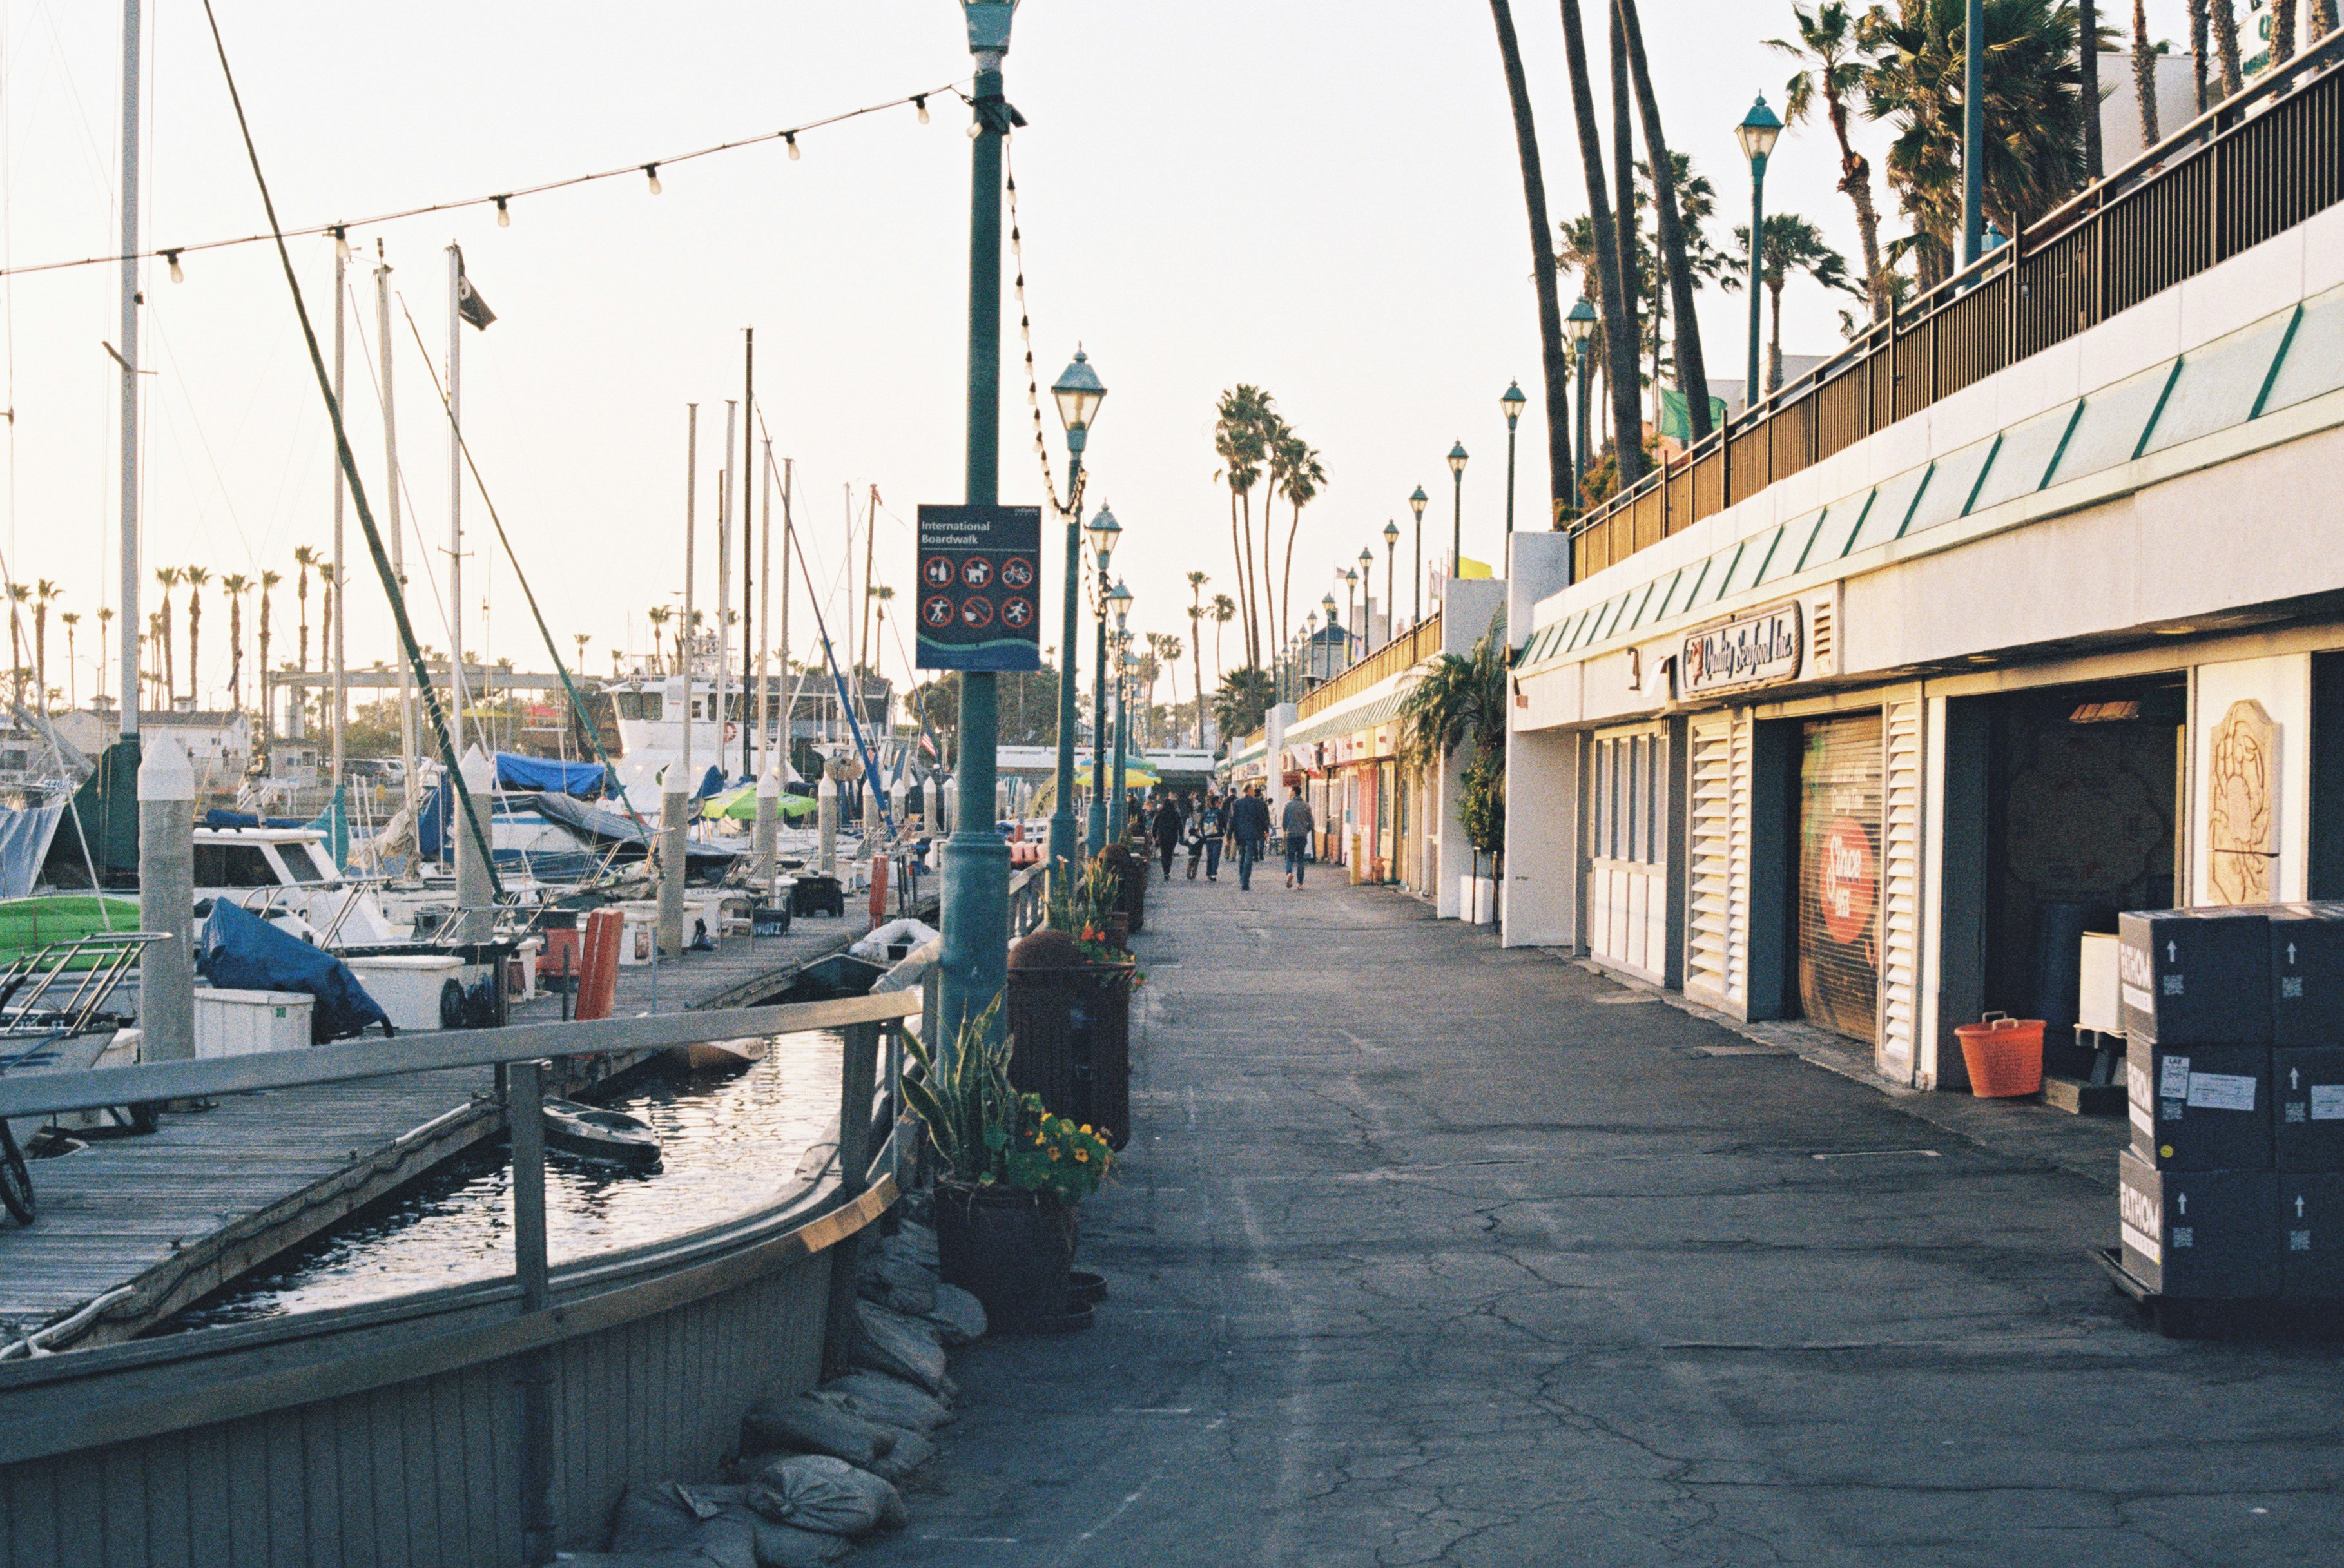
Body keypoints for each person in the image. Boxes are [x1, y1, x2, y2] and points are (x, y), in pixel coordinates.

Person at [1229, 784, 1271, 891]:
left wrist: (1229, 835)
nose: (1254, 791)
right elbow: (1263, 818)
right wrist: (1266, 830)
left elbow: (1232, 820)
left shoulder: (1236, 803)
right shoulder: (1258, 803)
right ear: (1249, 791)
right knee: (1249, 857)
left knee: (1242, 855)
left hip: (1240, 833)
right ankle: (1245, 881)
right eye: (1253, 789)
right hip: (1253, 833)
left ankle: (1242, 877)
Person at [1280, 787, 1316, 889]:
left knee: (1290, 858)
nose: (1289, 793)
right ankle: (1300, 884)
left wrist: (1285, 830)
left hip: (1290, 835)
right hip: (1302, 836)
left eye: (1290, 791)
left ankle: (1289, 873)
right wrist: (1306, 830)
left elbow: (1284, 822)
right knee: (1300, 859)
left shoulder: (1287, 805)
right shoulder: (1306, 806)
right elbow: (1312, 822)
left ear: (1294, 792)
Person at [1186, 791, 1225, 881]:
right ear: (1215, 803)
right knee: (1216, 857)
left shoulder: (1206, 812)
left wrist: (1203, 834)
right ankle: (1213, 874)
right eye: (1219, 802)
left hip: (1208, 838)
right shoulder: (1220, 812)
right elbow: (1224, 824)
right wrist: (1225, 834)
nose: (1220, 804)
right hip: (1217, 837)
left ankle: (1208, 872)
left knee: (1210, 856)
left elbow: (1201, 823)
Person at [1151, 793, 1187, 880]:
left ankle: (1165, 871)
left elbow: (1154, 826)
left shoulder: (1160, 814)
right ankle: (1168, 871)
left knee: (1164, 854)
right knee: (1169, 854)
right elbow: (1180, 826)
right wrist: (1181, 836)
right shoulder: (1176, 814)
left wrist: (1154, 836)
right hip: (1173, 836)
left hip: (1162, 836)